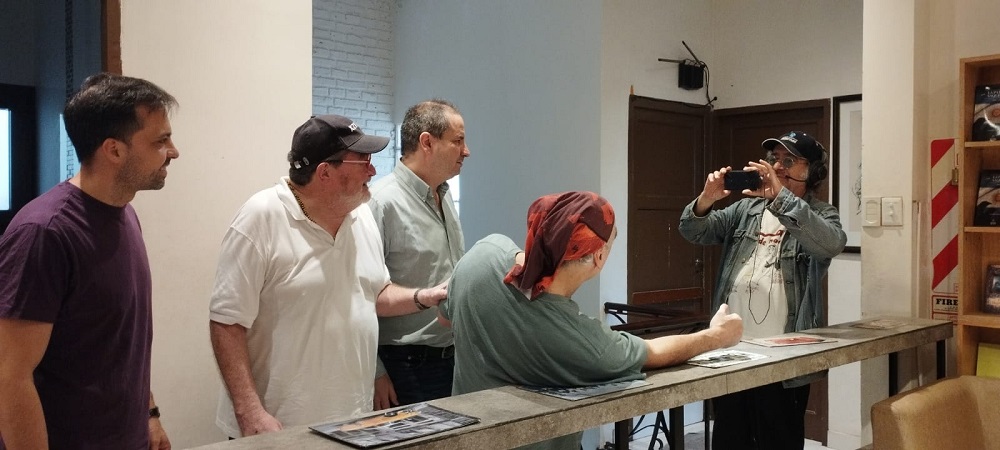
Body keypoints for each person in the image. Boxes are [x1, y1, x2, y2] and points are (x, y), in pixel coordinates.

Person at [439, 191, 743, 450]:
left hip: (465, 439)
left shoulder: (484, 253)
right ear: (598, 257)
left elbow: (444, 315)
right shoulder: (581, 341)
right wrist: (716, 336)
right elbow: (654, 353)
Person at [208, 114, 448, 438]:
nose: (373, 171)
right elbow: (226, 322)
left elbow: (376, 294)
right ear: (324, 172)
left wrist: (426, 297)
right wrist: (249, 410)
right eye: (363, 162)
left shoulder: (360, 216)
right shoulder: (260, 218)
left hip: (352, 424)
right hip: (277, 428)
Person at [0, 73, 177, 450]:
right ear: (114, 150)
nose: (174, 151)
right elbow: (10, 376)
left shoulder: (126, 215)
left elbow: (120, 341)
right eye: (161, 140)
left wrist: (150, 414)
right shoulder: (44, 232)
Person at [678, 131, 847, 450]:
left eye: (789, 161)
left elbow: (831, 243)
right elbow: (693, 231)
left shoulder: (821, 214)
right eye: (773, 159)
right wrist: (706, 199)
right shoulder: (745, 210)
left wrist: (780, 197)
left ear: (812, 172)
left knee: (778, 440)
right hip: (731, 351)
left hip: (783, 358)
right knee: (730, 439)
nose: (777, 167)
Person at [368, 99, 469, 408]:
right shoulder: (379, 203)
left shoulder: (444, 195)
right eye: (458, 141)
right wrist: (374, 371)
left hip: (451, 360)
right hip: (403, 366)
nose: (466, 151)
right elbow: (355, 296)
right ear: (427, 142)